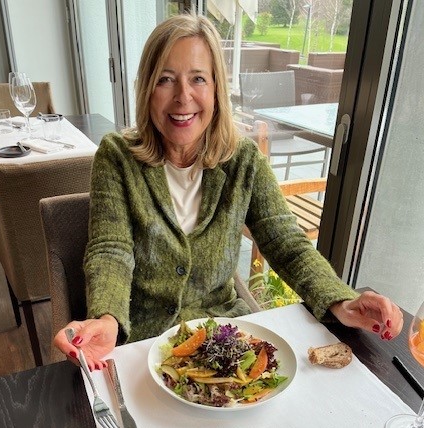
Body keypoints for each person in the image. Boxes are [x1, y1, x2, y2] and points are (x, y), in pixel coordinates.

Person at [54, 14, 403, 370]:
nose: (183, 97)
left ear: (217, 88)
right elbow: (111, 249)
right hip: (144, 345)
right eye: (165, 79)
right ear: (147, 89)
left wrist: (341, 301)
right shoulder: (116, 156)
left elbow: (286, 243)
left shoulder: (243, 159)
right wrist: (108, 318)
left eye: (198, 79)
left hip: (225, 336)